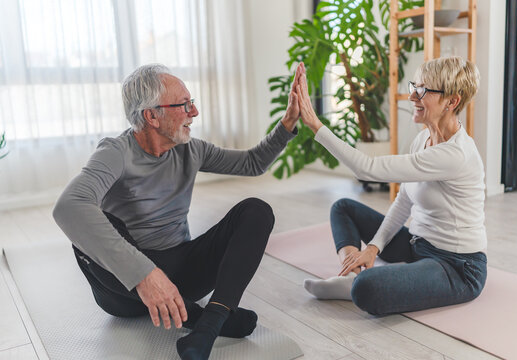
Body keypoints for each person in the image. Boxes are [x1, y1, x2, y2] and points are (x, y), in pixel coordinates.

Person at [53, 63, 302, 360]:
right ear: (152, 116)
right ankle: (195, 316)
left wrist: (287, 123)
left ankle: (210, 323)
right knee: (87, 229)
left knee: (257, 211)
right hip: (125, 292)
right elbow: (68, 206)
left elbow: (252, 163)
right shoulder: (115, 152)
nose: (194, 112)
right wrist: (144, 275)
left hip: (182, 276)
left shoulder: (191, 149)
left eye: (192, 103)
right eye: (184, 105)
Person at [296, 57, 488, 315]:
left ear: (451, 101)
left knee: (367, 289)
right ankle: (350, 272)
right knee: (343, 207)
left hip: (457, 267)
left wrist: (315, 125)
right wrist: (374, 247)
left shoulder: (455, 154)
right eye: (414, 87)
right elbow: (404, 200)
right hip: (417, 245)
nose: (412, 97)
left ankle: (357, 282)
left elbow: (368, 168)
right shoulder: (422, 139)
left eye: (422, 91)